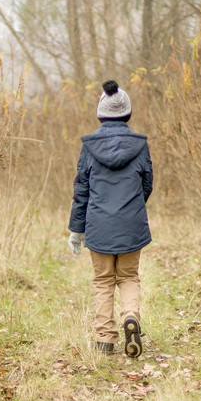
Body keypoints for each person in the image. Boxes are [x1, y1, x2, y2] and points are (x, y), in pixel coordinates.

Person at [67, 80, 153, 358]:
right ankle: (131, 316)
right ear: (127, 113)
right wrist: (132, 209)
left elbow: (81, 190)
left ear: (100, 114)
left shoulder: (90, 149)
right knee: (128, 276)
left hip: (99, 224)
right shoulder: (140, 146)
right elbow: (147, 184)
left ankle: (105, 339)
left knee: (103, 280)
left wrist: (76, 230)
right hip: (131, 225)